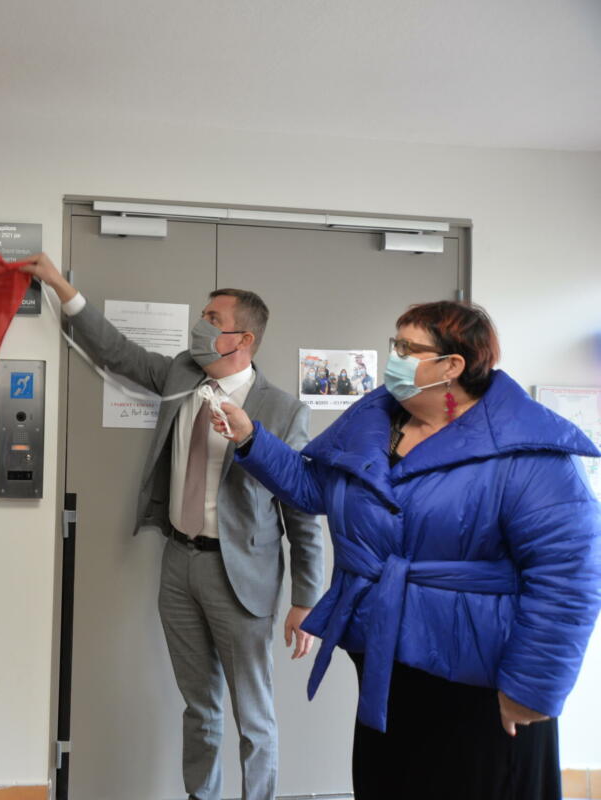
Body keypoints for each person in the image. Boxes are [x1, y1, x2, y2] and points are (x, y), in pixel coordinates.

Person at [215, 301, 601, 799]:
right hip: (385, 660)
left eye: (406, 348)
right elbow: (316, 490)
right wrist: (252, 441)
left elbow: (569, 578)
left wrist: (533, 687)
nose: (392, 357)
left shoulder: (526, 452)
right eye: (393, 343)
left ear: (452, 366)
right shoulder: (375, 419)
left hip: (478, 680)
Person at [21, 254, 323, 800]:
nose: (199, 327)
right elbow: (115, 350)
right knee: (199, 706)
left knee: (253, 717)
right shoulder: (182, 374)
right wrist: (59, 284)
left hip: (244, 578)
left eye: (212, 319)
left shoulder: (282, 411)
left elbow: (302, 513)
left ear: (242, 339)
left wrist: (308, 598)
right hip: (178, 565)